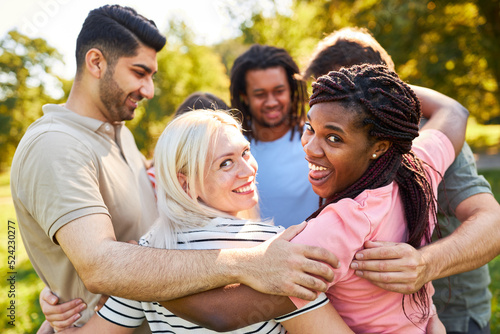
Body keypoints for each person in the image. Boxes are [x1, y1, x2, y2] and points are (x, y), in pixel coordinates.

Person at [12, 5, 339, 332]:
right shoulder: (56, 144)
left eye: (151, 76)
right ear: (96, 62)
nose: (149, 90)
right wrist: (249, 261)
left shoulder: (120, 135)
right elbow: (99, 266)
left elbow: (132, 237)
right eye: (139, 73)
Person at [50, 109, 353, 334]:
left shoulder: (146, 253)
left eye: (245, 152)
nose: (247, 170)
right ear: (185, 185)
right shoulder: (273, 247)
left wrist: (53, 324)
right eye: (225, 163)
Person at [303, 26, 500, 334]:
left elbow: (493, 223)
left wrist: (425, 264)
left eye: (347, 89)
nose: (336, 97)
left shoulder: (416, 144)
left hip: (452, 313)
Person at [229, 44, 318, 227]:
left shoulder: (317, 141)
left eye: (279, 91)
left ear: (292, 90)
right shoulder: (230, 148)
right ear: (244, 96)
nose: (271, 102)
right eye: (260, 94)